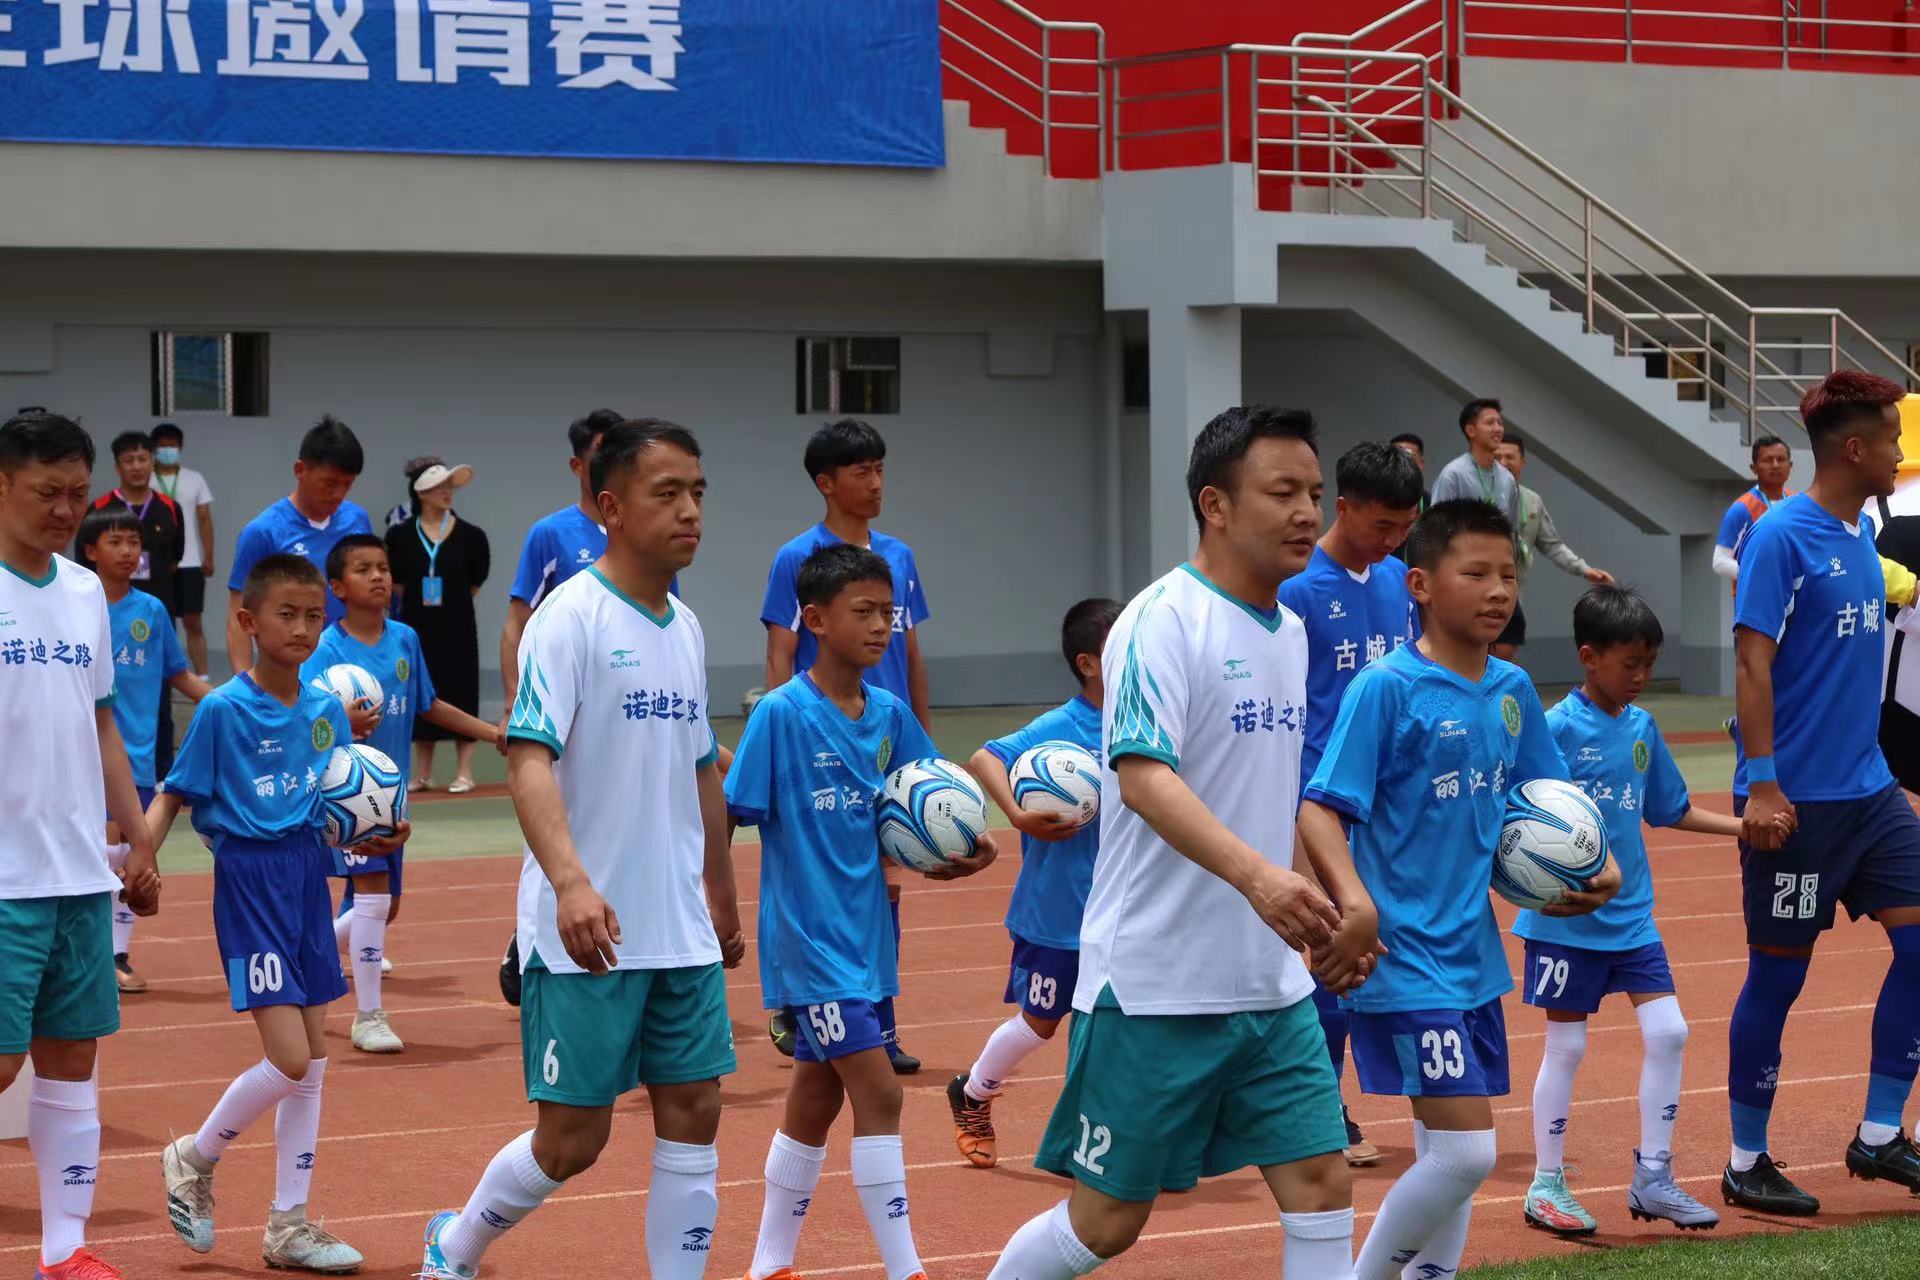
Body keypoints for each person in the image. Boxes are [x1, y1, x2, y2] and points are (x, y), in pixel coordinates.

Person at [985, 406, 1377, 1280]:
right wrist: (1260, 883)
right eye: (1283, 492)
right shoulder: (1161, 620)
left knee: (1320, 1185)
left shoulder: (1292, 633)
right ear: (1216, 504)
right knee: (1105, 1223)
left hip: (1270, 987)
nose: (1308, 512)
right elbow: (1142, 776)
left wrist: (1336, 899)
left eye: (1315, 493)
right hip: (1156, 984)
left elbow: (1278, 793)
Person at [420, 419, 745, 1280]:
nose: (690, 512)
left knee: (695, 1109)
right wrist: (569, 884)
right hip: (587, 933)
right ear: (611, 506)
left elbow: (702, 772)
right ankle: (455, 1248)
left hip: (678, 927)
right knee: (573, 1140)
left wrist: (723, 894)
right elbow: (527, 758)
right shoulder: (570, 618)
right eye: (667, 493)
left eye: (699, 493)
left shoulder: (687, 628)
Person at [1301, 499, 1620, 1280]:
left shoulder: (1512, 687)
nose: (1496, 589)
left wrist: (1596, 867)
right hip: (1402, 955)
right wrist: (1356, 900)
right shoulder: (1386, 689)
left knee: (1447, 1153)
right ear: (1419, 583)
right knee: (1470, 1155)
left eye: (1507, 573)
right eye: (1473, 572)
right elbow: (1318, 808)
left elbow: (1551, 800)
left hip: (1473, 955)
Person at [730, 543, 997, 1280]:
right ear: (814, 619)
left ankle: (767, 1264)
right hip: (810, 945)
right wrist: (719, 909)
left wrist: (966, 849)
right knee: (880, 1092)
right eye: (865, 612)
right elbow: (733, 811)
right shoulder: (782, 715)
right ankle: (906, 1268)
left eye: (890, 612)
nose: (883, 626)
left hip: (870, 938)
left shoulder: (890, 714)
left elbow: (932, 804)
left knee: (815, 1098)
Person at [151, 554, 407, 1273]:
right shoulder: (222, 710)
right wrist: (142, 856)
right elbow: (174, 793)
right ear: (248, 621)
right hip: (249, 883)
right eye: (284, 615)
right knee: (289, 1056)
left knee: (314, 1060)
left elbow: (330, 804)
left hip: (305, 878)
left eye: (311, 616)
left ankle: (289, 1225)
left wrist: (372, 828)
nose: (300, 628)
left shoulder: (325, 710)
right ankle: (191, 1158)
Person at [1723, 370, 1920, 1214]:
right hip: (1795, 804)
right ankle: (1743, 1159)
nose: (1901, 452)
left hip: (1872, 794)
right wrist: (1762, 785)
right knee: (1779, 979)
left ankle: (1879, 1136)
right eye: (1891, 438)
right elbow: (1751, 661)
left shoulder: (1855, 540)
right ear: (1854, 447)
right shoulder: (1783, 537)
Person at [1513, 585, 1741, 1236]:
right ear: (1589, 657)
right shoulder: (1553, 728)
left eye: (1649, 663)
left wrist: (1741, 827)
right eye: (1630, 663)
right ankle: (1546, 1184)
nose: (1642, 677)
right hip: (1565, 921)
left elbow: (1668, 809)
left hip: (1632, 917)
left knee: (1670, 1031)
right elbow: (1515, 815)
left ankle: (1653, 1177)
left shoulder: (1642, 729)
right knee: (1568, 1044)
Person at [0, 410, 157, 1280]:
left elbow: (101, 720)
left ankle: (63, 1251)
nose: (65, 511)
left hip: (75, 872)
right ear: (1, 486)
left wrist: (134, 833)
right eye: (45, 492)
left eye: (75, 493)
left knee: (71, 1060)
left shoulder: (83, 590)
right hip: (2, 875)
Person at [761, 418, 931, 1073]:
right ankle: (812, 1000)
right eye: (862, 470)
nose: (876, 481)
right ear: (826, 483)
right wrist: (786, 737)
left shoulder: (901, 556)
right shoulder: (795, 557)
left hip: (886, 738)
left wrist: (926, 746)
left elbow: (913, 651)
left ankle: (880, 1020)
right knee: (831, 877)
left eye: (881, 468)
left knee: (889, 882)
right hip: (822, 738)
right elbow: (780, 649)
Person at [1277, 440, 1423, 1168]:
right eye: (1382, 524)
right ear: (1344, 507)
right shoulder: (1298, 587)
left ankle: (1311, 1103)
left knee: (1369, 955)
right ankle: (1319, 1110)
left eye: (1404, 527)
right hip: (1314, 803)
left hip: (1386, 806)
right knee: (1326, 954)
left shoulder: (1400, 580)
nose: (1392, 540)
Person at [305, 534, 504, 1053]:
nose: (378, 576)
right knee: (373, 896)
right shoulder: (324, 648)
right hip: (345, 794)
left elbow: (428, 705)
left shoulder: (405, 639)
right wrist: (335, 720)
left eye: (384, 568)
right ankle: (368, 1016)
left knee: (383, 907)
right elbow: (297, 718)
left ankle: (311, 951)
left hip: (388, 798)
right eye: (364, 568)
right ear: (336, 586)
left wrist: (491, 733)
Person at [948, 597, 1121, 1170]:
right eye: (1121, 647)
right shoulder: (1059, 727)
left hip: (1124, 911)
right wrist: (1018, 817)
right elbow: (983, 757)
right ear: (1089, 663)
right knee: (1040, 1024)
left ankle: (1101, 1145)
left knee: (1119, 1028)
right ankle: (972, 1092)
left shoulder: (1146, 718)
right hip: (1056, 914)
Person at [75, 507, 212, 995]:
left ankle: (115, 955)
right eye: (116, 541)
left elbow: (179, 673)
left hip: (131, 754)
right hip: (75, 755)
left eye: (135, 542)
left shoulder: (152, 611)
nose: (129, 551)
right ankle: (89, 952)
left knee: (132, 850)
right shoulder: (75, 602)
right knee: (95, 850)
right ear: (90, 550)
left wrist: (231, 702)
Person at [226, 416, 372, 677]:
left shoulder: (357, 520)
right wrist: (246, 691)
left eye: (347, 485)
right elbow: (238, 615)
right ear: (300, 470)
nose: (338, 494)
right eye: (329, 483)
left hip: (354, 667)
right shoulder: (263, 532)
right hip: (293, 672)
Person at [387, 459, 491, 794]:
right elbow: (398, 583)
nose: (447, 493)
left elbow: (475, 582)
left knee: (462, 688)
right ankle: (424, 773)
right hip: (416, 625)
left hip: (458, 624)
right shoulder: (399, 536)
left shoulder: (472, 536)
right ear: (421, 493)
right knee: (421, 691)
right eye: (438, 487)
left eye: (450, 487)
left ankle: (464, 771)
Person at [92, 430, 187, 781]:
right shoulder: (101, 508)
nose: (127, 550)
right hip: (111, 608)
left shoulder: (169, 509)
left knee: (154, 695)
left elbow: (175, 559)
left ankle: (160, 771)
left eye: (143, 458)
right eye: (129, 460)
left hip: (151, 614)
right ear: (118, 466)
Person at [1493, 433, 1615, 660]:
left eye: (1510, 456)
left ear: (1522, 462)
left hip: (1512, 593)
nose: (1503, 462)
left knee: (1505, 651)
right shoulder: (1478, 494)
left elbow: (1552, 545)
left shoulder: (1532, 501)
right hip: (1481, 589)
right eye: (1497, 456)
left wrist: (1585, 570)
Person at [1430, 399, 1524, 645]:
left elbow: (1511, 530)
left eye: (1500, 423)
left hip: (1496, 570)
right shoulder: (1454, 474)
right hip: (1465, 570)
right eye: (1490, 422)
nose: (1497, 429)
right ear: (1471, 430)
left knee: (1504, 644)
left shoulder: (1506, 478)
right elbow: (1437, 527)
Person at [150, 423, 215, 678]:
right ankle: (163, 677)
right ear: (154, 449)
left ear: (180, 447)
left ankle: (203, 678)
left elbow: (204, 519)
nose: (167, 450)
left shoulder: (194, 478)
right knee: (161, 622)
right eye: (162, 445)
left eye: (172, 445)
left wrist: (208, 556)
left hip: (189, 561)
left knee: (193, 622)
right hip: (158, 563)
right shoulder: (146, 479)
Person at [1712, 434, 1795, 587]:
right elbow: (1719, 561)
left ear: (1790, 466)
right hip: (1754, 597)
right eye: (1768, 460)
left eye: (1781, 459)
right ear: (1754, 468)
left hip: (1793, 596)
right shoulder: (1741, 509)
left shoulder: (1797, 503)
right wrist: (1758, 572)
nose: (1776, 465)